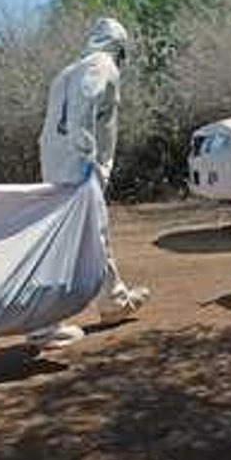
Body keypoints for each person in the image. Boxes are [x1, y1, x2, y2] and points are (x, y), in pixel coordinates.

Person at [29, 17, 150, 348]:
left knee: (93, 234)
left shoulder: (67, 72)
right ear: (119, 47)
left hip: (56, 164)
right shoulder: (102, 65)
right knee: (67, 240)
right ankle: (44, 323)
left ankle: (113, 301)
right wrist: (85, 157)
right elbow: (85, 105)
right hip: (79, 164)